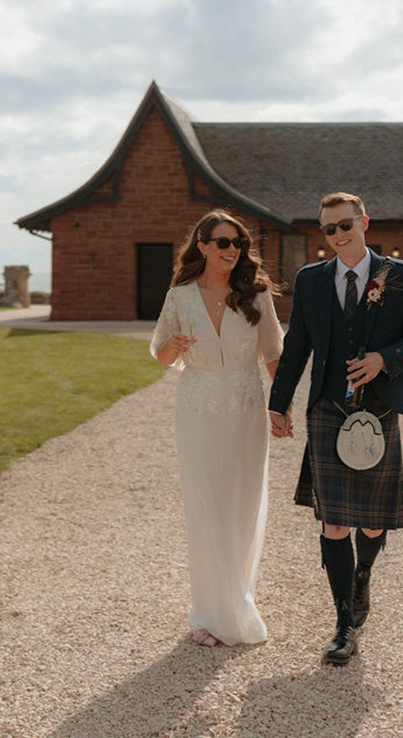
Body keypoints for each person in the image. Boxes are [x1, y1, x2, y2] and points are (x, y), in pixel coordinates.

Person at [268, 192, 403, 665]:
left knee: (373, 519)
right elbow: (296, 345)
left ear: (364, 222)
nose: (339, 235)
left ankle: (364, 575)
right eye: (329, 229)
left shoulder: (401, 276)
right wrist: (277, 404)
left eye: (346, 225)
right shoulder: (311, 280)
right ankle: (343, 622)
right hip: (327, 408)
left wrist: (385, 359)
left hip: (380, 408)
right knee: (335, 519)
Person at [151, 210, 284, 647]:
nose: (232, 250)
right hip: (196, 410)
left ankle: (238, 599)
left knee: (242, 502)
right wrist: (175, 344)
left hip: (246, 407)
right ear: (203, 246)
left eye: (239, 243)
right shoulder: (181, 295)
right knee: (206, 505)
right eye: (223, 242)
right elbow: (163, 356)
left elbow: (273, 358)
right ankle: (210, 612)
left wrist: (280, 407)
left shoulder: (257, 296)